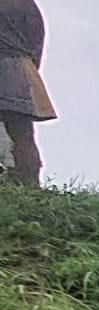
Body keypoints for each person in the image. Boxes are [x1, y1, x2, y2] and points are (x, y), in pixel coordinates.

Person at [0, 0, 54, 187]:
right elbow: (36, 42)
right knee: (23, 135)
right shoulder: (27, 4)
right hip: (22, 71)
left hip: (13, 68)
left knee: (21, 136)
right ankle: (30, 188)